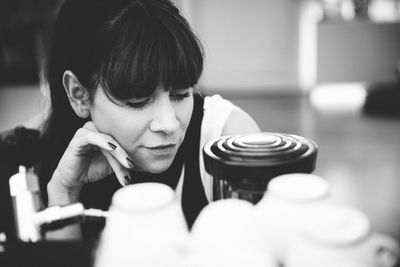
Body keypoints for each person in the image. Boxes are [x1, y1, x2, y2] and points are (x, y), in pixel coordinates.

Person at [38, 0, 260, 240]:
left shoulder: (228, 138)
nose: (170, 124)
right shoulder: (41, 157)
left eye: (181, 94)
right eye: (138, 101)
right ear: (79, 94)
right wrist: (64, 193)